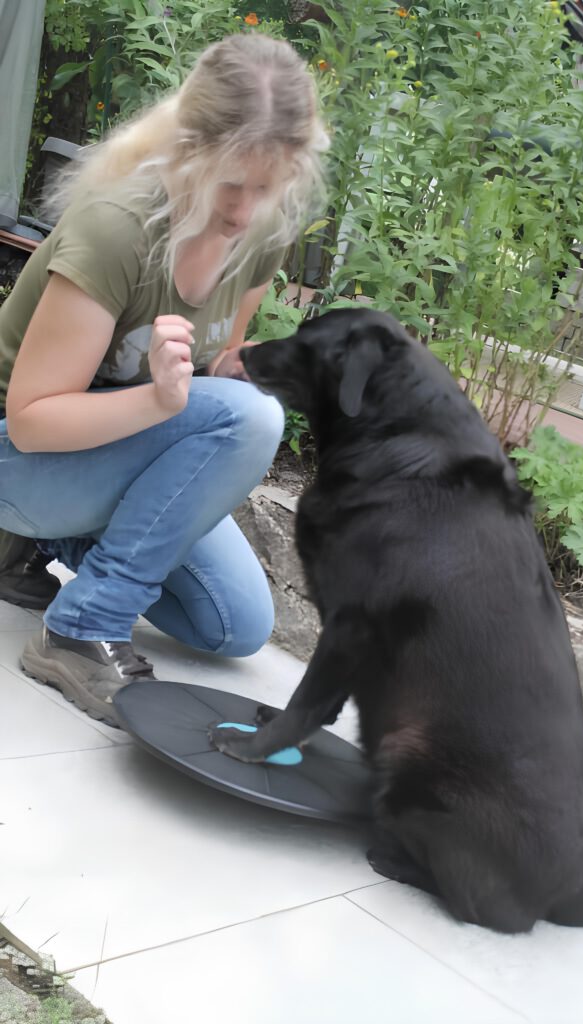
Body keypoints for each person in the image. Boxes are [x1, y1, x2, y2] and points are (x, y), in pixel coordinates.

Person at [0, 33, 327, 727]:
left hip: (102, 459)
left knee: (233, 624)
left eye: (267, 188)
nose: (243, 212)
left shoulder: (261, 233)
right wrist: (158, 400)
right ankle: (81, 629)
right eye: (230, 183)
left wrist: (244, 368)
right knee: (250, 417)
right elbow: (31, 419)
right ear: (188, 149)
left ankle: (40, 544)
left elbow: (211, 374)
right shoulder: (118, 228)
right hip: (16, 456)